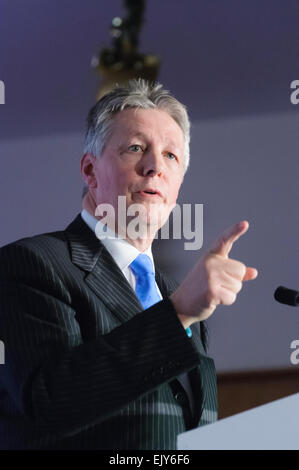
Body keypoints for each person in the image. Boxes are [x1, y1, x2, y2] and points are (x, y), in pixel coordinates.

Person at [0, 79, 258, 450]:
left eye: (171, 155)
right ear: (90, 171)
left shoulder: (175, 296)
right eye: (136, 148)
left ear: (179, 183)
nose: (155, 166)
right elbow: (50, 403)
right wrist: (179, 313)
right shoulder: (31, 265)